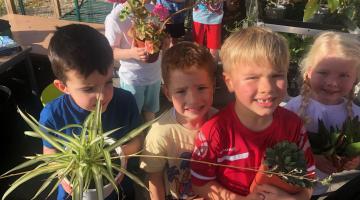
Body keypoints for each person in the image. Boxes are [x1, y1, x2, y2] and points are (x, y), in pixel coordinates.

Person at [190, 27, 315, 200]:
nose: (267, 88)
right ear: (230, 82)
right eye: (252, 78)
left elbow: (308, 182)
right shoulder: (214, 132)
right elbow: (201, 183)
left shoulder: (293, 126)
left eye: (277, 75)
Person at [40, 24, 142, 200]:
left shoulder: (126, 101)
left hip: (117, 186)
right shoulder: (53, 114)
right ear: (63, 87)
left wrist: (113, 158)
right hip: (75, 191)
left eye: (109, 82)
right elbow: (49, 153)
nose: (102, 96)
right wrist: (63, 172)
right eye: (88, 89)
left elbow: (137, 140)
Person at [284, 31, 360, 198]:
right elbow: (280, 146)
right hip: (289, 187)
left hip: (323, 188)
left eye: (344, 75)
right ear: (309, 72)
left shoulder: (356, 115)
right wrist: (314, 158)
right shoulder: (293, 108)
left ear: (355, 79)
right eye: (323, 73)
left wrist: (355, 160)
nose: (332, 82)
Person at [140, 41, 217, 199]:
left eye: (201, 88)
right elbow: (155, 180)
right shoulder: (160, 133)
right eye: (181, 91)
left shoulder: (222, 122)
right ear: (167, 93)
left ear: (213, 86)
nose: (193, 99)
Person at [105, 1, 162, 122]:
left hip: (155, 76)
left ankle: (149, 137)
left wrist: (165, 44)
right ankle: (137, 139)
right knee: (132, 116)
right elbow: (110, 51)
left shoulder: (154, 9)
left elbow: (159, 38)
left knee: (150, 111)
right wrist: (131, 53)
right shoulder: (116, 17)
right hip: (133, 80)